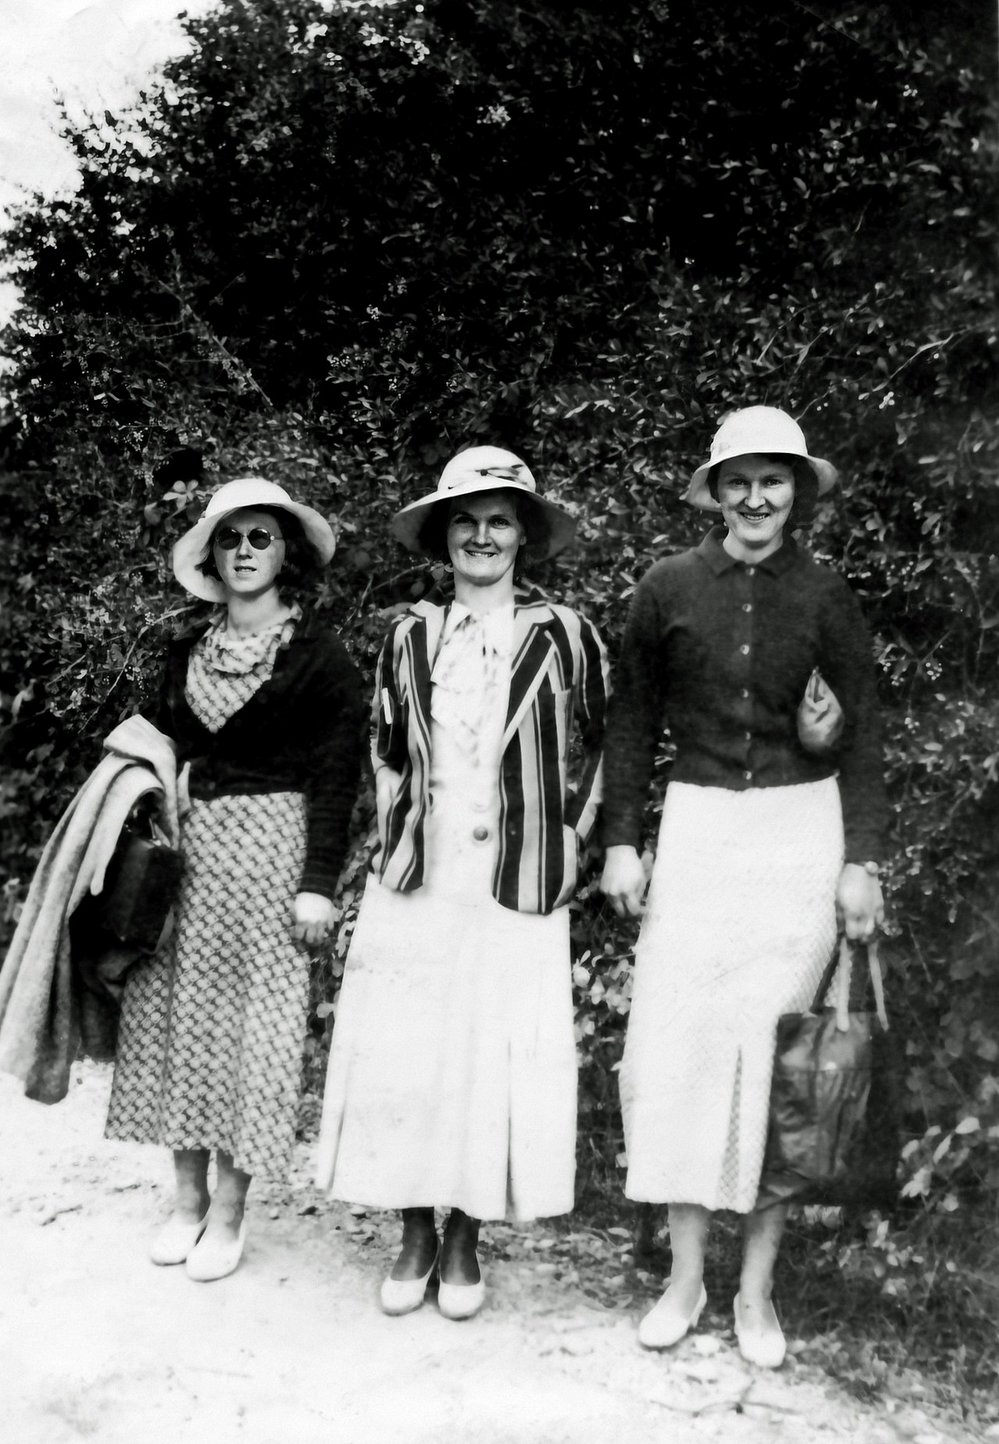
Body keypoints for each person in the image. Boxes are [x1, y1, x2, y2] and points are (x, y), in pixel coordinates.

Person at [600, 406, 888, 1367]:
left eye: (773, 481)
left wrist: (861, 859)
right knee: (680, 1050)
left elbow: (863, 736)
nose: (756, 498)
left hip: (799, 837)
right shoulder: (666, 587)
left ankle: (755, 1292)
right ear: (714, 493)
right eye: (739, 481)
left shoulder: (827, 594)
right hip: (699, 831)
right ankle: (684, 1278)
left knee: (778, 1062)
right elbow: (631, 722)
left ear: (795, 493)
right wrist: (621, 842)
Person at [315, 445, 609, 1320]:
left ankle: (465, 1233)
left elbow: (604, 743)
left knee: (493, 1050)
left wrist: (572, 835)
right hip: (421, 872)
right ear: (444, 537)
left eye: (499, 521)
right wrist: (399, 822)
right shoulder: (410, 635)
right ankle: (413, 1227)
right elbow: (384, 745)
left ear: (523, 534)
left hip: (518, 873)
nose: (482, 536)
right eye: (466, 522)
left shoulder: (565, 634)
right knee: (411, 1047)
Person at [106, 477, 365, 1281]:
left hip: (274, 862)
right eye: (231, 538)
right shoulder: (181, 652)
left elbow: (337, 780)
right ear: (211, 556)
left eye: (261, 537)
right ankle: (186, 1201)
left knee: (256, 1034)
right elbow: (154, 754)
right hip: (187, 862)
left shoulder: (321, 658)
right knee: (180, 1022)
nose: (245, 551)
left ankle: (228, 1212)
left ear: (287, 554)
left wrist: (317, 883)